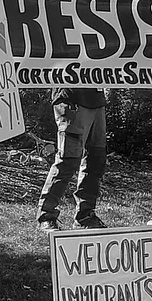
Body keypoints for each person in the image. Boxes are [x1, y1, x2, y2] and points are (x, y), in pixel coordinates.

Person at [35, 84, 108, 232]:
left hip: (96, 101)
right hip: (71, 99)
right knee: (68, 160)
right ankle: (46, 216)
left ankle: (85, 216)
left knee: (95, 159)